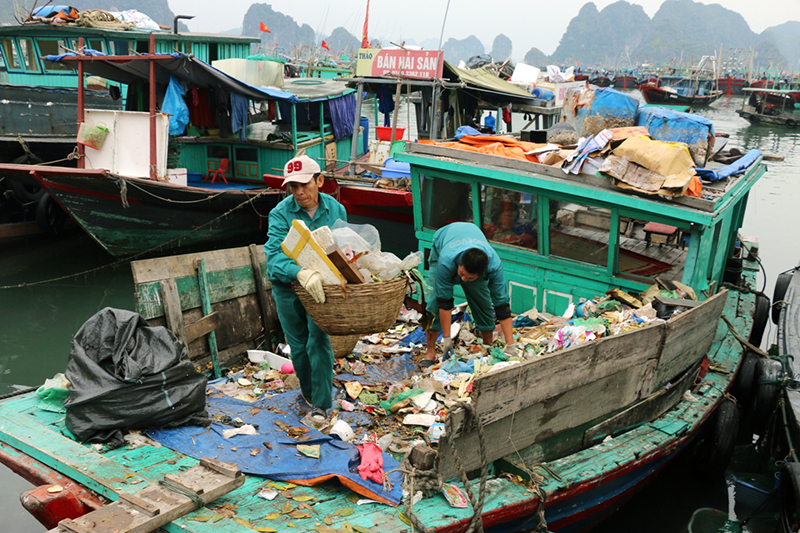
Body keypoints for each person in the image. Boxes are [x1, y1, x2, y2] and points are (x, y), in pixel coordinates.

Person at [264, 155, 347, 424]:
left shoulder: (336, 210)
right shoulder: (280, 214)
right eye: (293, 187)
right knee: (298, 346)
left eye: (304, 185)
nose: (299, 192)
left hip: (322, 290)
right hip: (288, 289)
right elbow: (274, 257)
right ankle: (309, 393)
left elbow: (343, 249)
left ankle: (322, 404)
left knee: (318, 341)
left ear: (319, 181)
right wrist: (299, 271)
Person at [421, 222, 515, 368]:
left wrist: (511, 345)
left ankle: (488, 346)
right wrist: (447, 340)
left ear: (482, 273)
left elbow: (502, 306)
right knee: (434, 302)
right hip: (444, 240)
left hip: (472, 241)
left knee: (482, 300)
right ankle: (430, 351)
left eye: (470, 278)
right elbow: (444, 302)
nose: (463, 280)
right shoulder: (446, 261)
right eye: (462, 275)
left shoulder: (494, 267)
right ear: (459, 265)